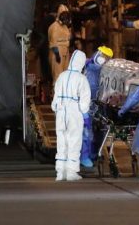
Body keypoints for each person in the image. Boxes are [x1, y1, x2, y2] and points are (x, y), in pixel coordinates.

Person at [51, 50, 91, 181]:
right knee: (74, 141)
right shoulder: (81, 79)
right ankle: (71, 172)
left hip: (61, 112)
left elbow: (55, 97)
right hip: (74, 112)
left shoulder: (62, 76)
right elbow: (85, 101)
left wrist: (57, 109)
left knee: (61, 142)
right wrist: (84, 114)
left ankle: (60, 172)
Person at [80, 46, 113, 168]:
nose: (105, 60)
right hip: (88, 105)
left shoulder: (100, 71)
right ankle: (84, 156)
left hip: (98, 105)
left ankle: (92, 154)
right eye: (104, 57)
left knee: (101, 130)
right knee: (87, 132)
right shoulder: (90, 69)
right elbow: (92, 89)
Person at [48, 4, 72, 83]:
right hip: (57, 53)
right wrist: (57, 54)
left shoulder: (65, 27)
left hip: (65, 52)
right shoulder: (54, 27)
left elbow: (68, 37)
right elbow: (53, 42)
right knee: (57, 76)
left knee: (65, 75)